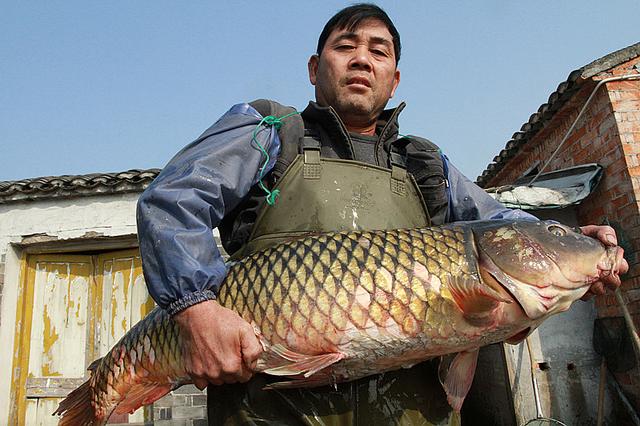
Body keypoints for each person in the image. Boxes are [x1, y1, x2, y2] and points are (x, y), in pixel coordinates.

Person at [136, 4, 628, 425]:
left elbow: (507, 229)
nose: (361, 61)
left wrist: (574, 241)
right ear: (314, 67)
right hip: (268, 410)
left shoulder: (425, 163)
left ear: (394, 80)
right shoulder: (269, 132)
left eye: (378, 51)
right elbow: (170, 203)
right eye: (345, 46)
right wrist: (195, 310)